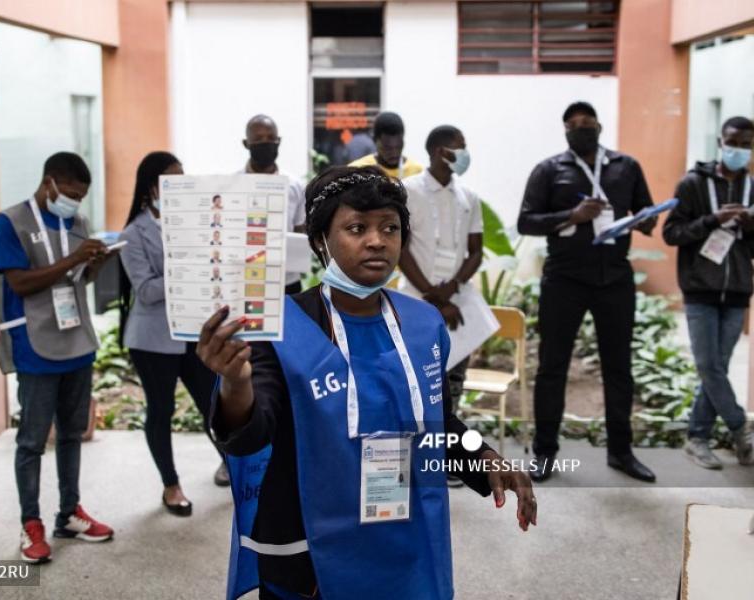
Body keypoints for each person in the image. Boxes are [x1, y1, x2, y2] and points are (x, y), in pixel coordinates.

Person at [198, 166, 536, 600]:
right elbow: (252, 434)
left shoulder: (422, 323)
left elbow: (436, 422)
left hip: (403, 535)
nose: (377, 241)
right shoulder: (280, 327)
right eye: (356, 228)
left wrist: (485, 457)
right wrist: (235, 383)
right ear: (321, 240)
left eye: (390, 228)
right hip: (310, 550)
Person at [0, 152, 115, 564]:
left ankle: (68, 513)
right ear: (49, 184)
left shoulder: (77, 222)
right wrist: (75, 258)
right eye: (71, 194)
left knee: (73, 434)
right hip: (35, 344)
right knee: (32, 441)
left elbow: (80, 281)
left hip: (77, 340)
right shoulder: (11, 222)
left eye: (81, 196)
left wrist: (95, 263)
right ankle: (31, 523)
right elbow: (19, 283)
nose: (74, 202)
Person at [517, 101, 658, 483]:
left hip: (614, 278)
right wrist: (570, 216)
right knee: (552, 367)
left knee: (618, 368)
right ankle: (545, 452)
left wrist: (646, 220)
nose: (582, 129)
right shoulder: (549, 170)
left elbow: (645, 209)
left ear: (598, 125)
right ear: (565, 130)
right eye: (574, 125)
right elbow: (526, 221)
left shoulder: (625, 167)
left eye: (587, 123)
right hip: (564, 279)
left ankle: (621, 452)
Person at [119, 152, 230, 512]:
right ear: (153, 186)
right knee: (161, 409)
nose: (183, 185)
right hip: (152, 338)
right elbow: (147, 291)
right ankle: (171, 486)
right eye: (173, 179)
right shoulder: (133, 233)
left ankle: (236, 467)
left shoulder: (194, 223)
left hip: (192, 334)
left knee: (212, 404)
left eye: (185, 178)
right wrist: (187, 267)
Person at [663, 116, 754, 469]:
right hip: (700, 288)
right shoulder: (692, 184)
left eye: (746, 145)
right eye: (734, 142)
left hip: (736, 291)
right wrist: (712, 220)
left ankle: (697, 438)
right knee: (708, 365)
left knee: (716, 367)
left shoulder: (752, 187)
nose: (739, 150)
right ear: (721, 141)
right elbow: (672, 233)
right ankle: (739, 428)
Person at [398, 125, 483, 487]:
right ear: (437, 151)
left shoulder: (469, 197)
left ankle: (446, 458)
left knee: (453, 381)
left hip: (457, 304)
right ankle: (409, 454)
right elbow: (399, 248)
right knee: (414, 379)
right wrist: (433, 296)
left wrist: (452, 289)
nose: (463, 155)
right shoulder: (408, 191)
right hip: (415, 301)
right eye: (457, 148)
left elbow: (476, 250)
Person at [240, 114, 306, 296]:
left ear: (279, 142)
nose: (265, 143)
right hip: (247, 279)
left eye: (270, 138)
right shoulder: (233, 186)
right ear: (246, 144)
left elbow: (300, 230)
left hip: (288, 281)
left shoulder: (294, 185)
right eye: (258, 139)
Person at [349, 111, 424, 180]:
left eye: (398, 147)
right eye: (388, 148)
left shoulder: (418, 172)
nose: (394, 153)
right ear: (374, 141)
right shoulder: (359, 170)